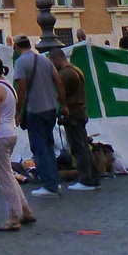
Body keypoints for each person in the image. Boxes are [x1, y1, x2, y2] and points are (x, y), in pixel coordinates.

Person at [0, 55, 34, 231]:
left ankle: (13, 217)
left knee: (4, 178)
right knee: (9, 174)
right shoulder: (7, 85)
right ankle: (25, 210)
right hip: (11, 132)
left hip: (0, 136)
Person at [11, 34, 64, 198]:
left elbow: (21, 88)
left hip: (36, 109)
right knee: (48, 145)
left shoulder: (20, 62)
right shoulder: (45, 60)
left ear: (16, 47)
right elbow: (58, 82)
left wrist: (17, 112)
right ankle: (54, 181)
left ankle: (48, 185)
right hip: (50, 109)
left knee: (39, 148)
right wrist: (64, 104)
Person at [48, 48, 97, 192]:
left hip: (73, 113)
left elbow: (59, 95)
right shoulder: (76, 70)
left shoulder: (65, 74)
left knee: (77, 147)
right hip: (81, 111)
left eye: (52, 62)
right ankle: (92, 178)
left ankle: (86, 180)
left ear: (56, 58)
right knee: (84, 146)